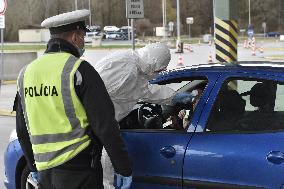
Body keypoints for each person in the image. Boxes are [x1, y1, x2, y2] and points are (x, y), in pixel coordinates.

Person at [15, 9, 132, 189]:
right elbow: (105, 125)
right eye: (83, 37)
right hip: (79, 171)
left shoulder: (26, 73)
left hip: (45, 173)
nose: (83, 42)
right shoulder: (79, 69)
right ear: (75, 37)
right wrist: (123, 168)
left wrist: (33, 166)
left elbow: (22, 130)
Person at [94, 43, 175, 189]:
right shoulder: (127, 69)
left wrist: (174, 96)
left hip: (103, 127)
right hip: (100, 129)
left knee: (104, 177)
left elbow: (145, 91)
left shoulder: (134, 67)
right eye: (160, 69)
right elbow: (95, 97)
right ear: (154, 63)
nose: (159, 73)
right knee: (102, 178)